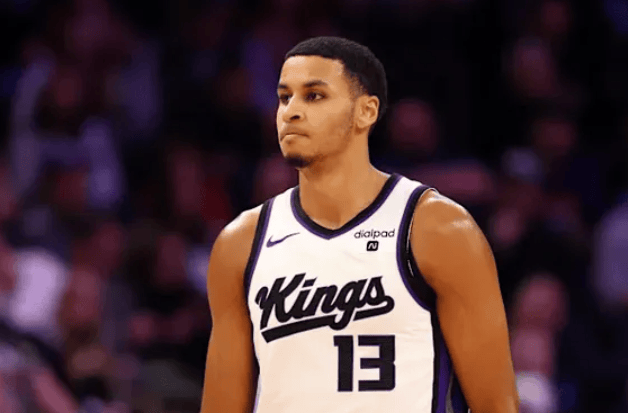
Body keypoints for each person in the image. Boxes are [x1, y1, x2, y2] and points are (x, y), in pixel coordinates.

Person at [200, 36, 519, 413]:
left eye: (314, 96)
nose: (291, 112)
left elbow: (495, 403)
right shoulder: (240, 243)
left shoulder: (439, 228)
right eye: (284, 98)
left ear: (366, 112)